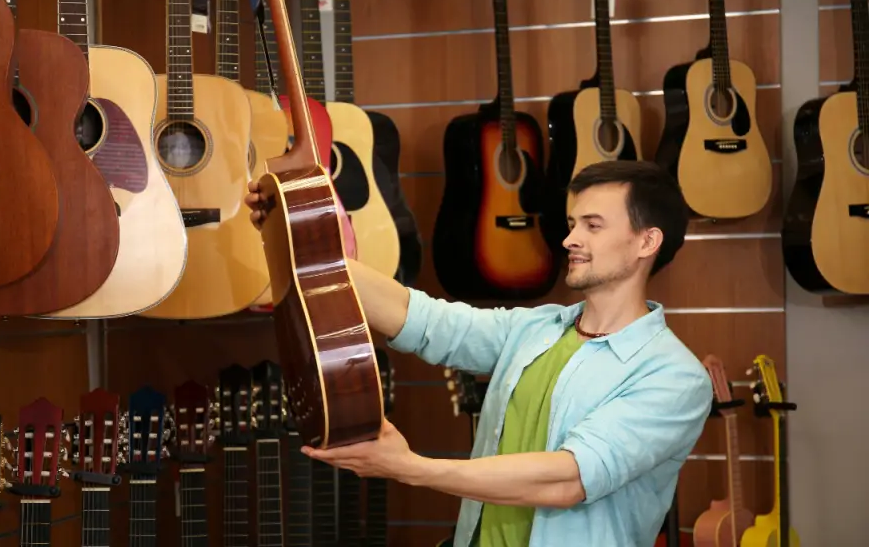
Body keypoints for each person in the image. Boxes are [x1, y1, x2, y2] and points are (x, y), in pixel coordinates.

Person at [244, 160, 713, 547]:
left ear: (647, 242)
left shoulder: (674, 377)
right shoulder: (536, 328)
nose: (570, 240)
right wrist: (299, 238)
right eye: (572, 224)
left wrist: (413, 469)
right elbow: (421, 318)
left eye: (593, 226)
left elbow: (569, 479)